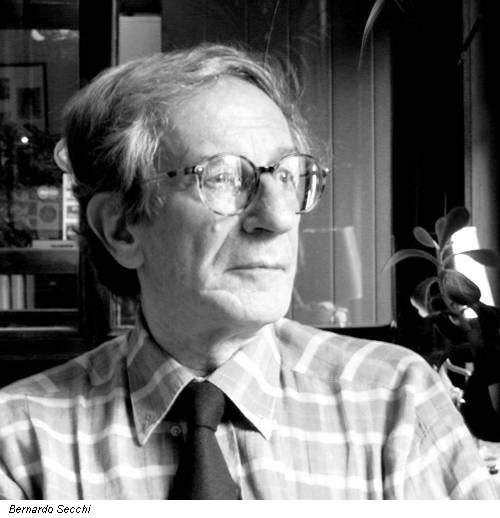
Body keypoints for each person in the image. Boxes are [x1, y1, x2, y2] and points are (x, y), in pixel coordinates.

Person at [0, 43, 498, 500]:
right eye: (222, 177)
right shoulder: (20, 444)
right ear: (122, 229)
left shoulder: (395, 403)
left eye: (288, 175)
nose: (279, 218)